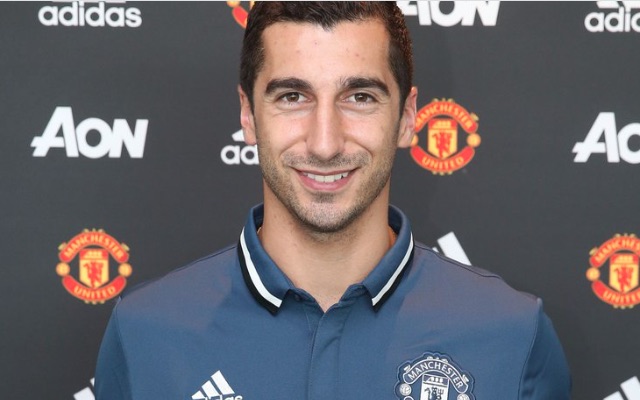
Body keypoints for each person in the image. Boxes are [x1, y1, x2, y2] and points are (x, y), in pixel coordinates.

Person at [95, 2, 571, 399]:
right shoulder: (146, 334)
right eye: (293, 97)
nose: (325, 143)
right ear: (247, 114)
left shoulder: (512, 334)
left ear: (407, 117)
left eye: (360, 97)